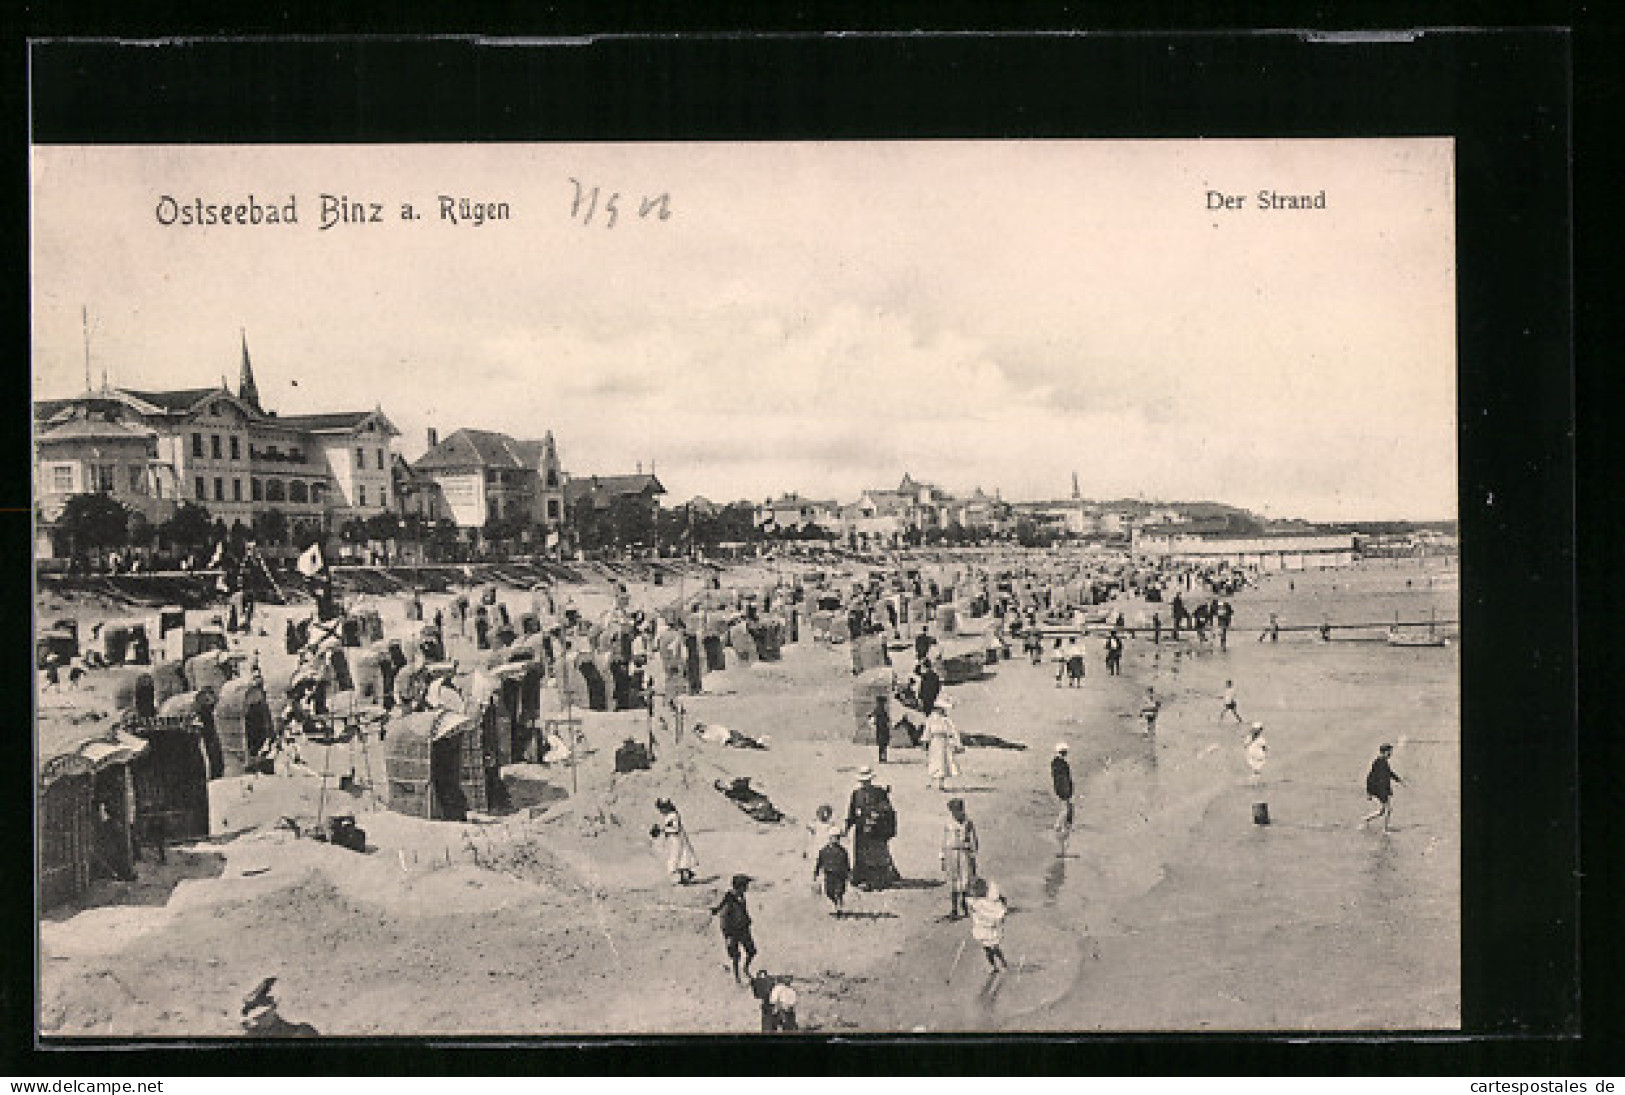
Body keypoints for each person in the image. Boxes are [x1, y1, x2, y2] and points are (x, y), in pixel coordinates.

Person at [844, 768, 900, 891]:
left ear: (871, 780)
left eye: (867, 781)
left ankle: (875, 880)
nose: (865, 784)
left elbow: (887, 810)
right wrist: (847, 828)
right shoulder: (856, 794)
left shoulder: (879, 793)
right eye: (862, 782)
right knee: (861, 855)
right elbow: (851, 813)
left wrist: (878, 818)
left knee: (875, 856)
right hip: (861, 831)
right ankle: (861, 877)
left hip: (876, 831)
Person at [711, 874, 758, 983]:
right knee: (736, 956)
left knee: (752, 952)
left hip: (743, 928)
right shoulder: (729, 900)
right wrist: (727, 936)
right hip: (733, 932)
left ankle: (745, 968)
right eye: (745, 885)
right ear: (739, 887)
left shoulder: (741, 896)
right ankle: (737, 978)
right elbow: (723, 919)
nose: (747, 888)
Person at [940, 798, 979, 920]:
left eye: (958, 810)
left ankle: (965, 904)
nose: (956, 813)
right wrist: (942, 857)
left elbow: (974, 840)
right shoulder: (948, 823)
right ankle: (954, 909)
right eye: (953, 811)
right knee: (953, 881)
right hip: (951, 853)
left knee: (965, 880)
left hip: (964, 853)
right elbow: (944, 841)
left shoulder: (968, 823)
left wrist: (972, 854)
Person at [965, 877, 1011, 973]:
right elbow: (973, 912)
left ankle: (1003, 962)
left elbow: (999, 910)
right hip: (982, 927)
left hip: (991, 927)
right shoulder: (974, 902)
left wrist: (999, 919)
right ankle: (993, 966)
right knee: (987, 949)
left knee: (994, 947)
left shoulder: (991, 899)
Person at [653, 798, 699, 885]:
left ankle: (683, 877)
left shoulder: (673, 815)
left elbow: (676, 829)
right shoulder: (668, 816)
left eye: (662, 808)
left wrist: (663, 830)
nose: (661, 811)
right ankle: (684, 877)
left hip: (678, 839)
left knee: (678, 857)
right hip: (674, 840)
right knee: (679, 857)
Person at [1360, 743, 1405, 832]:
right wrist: (1369, 792)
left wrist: (1399, 780)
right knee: (1388, 810)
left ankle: (1366, 819)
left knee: (1382, 811)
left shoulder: (1383, 761)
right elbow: (1370, 777)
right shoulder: (1379, 762)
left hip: (1383, 789)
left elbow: (1389, 773)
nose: (1391, 754)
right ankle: (1385, 829)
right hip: (1380, 790)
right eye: (1390, 752)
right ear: (1384, 752)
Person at [923, 703, 963, 791]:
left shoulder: (946, 720)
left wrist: (957, 743)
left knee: (943, 763)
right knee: (934, 762)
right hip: (934, 742)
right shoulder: (931, 719)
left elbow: (953, 732)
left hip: (944, 743)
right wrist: (925, 741)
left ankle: (941, 784)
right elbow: (927, 731)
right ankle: (933, 782)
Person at [813, 829, 851, 916]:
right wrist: (816, 873)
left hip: (840, 875)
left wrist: (848, 874)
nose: (835, 839)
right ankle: (836, 902)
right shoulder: (824, 851)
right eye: (833, 837)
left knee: (839, 891)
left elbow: (846, 863)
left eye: (837, 837)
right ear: (830, 838)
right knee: (829, 892)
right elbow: (819, 862)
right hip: (829, 874)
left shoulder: (843, 851)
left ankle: (839, 907)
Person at [1051, 743, 1075, 841]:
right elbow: (1064, 778)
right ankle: (1059, 825)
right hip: (1063, 789)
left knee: (1067, 807)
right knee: (1066, 808)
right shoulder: (1062, 764)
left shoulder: (1055, 762)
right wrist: (1068, 790)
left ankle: (1063, 825)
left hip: (1060, 788)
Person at [871, 692, 892, 764]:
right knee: (883, 745)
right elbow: (886, 719)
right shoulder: (880, 710)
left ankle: (882, 758)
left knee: (882, 745)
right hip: (882, 729)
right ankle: (883, 758)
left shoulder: (878, 710)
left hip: (880, 729)